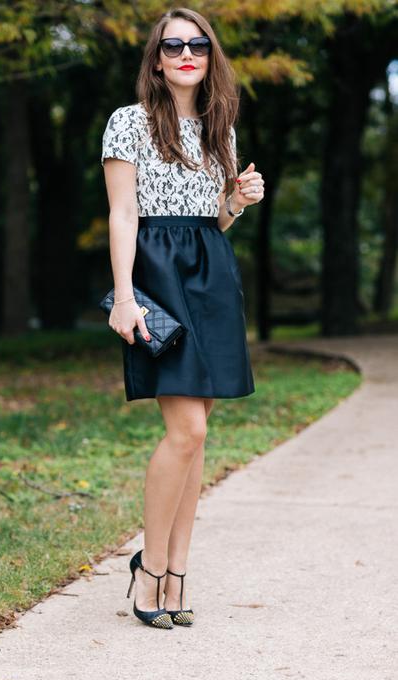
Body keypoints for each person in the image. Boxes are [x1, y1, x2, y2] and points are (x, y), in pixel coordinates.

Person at [100, 7, 264, 629]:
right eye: (174, 46)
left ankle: (175, 574)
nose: (187, 54)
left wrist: (237, 201)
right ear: (157, 58)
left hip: (213, 273)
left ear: (210, 54)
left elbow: (216, 220)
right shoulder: (130, 122)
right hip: (156, 276)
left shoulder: (220, 124)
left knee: (199, 441)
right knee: (185, 432)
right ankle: (148, 567)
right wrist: (124, 296)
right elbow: (123, 215)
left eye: (198, 45)